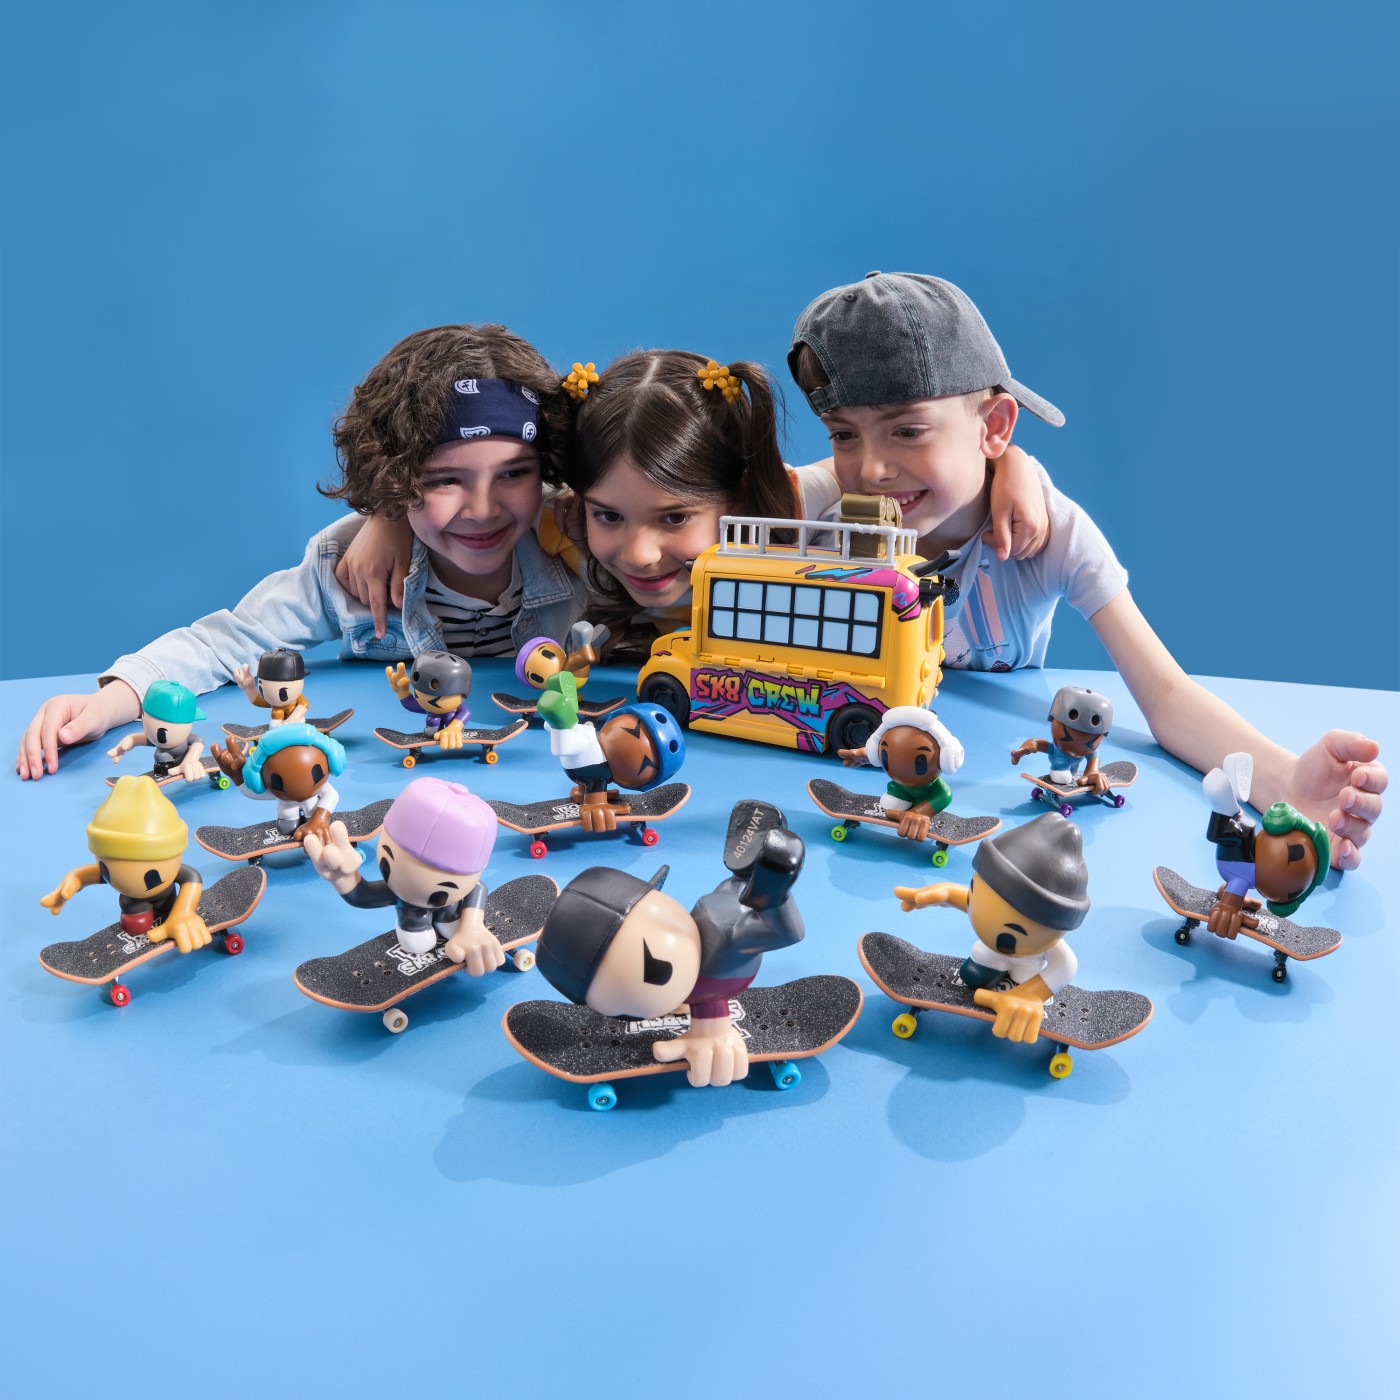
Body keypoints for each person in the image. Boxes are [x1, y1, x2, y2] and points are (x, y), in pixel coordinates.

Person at [787, 271, 1386, 871]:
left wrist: (1281, 781)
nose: (873, 470)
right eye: (843, 435)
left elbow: (1166, 694)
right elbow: (763, 500)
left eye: (908, 430)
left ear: (993, 427)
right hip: (864, 777)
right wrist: (824, 481)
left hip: (998, 803)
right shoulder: (833, 522)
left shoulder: (1053, 533)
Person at [16, 324, 585, 779]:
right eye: (444, 480)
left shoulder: (582, 540)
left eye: (514, 473)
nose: (483, 509)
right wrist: (112, 700)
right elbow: (226, 643)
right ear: (394, 478)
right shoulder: (344, 565)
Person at [335, 348, 1053, 658]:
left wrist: (1012, 464)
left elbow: (895, 481)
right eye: (610, 515)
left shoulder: (786, 507)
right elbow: (474, 493)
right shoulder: (564, 522)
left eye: (675, 517)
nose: (639, 552)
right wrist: (386, 514)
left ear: (738, 495)